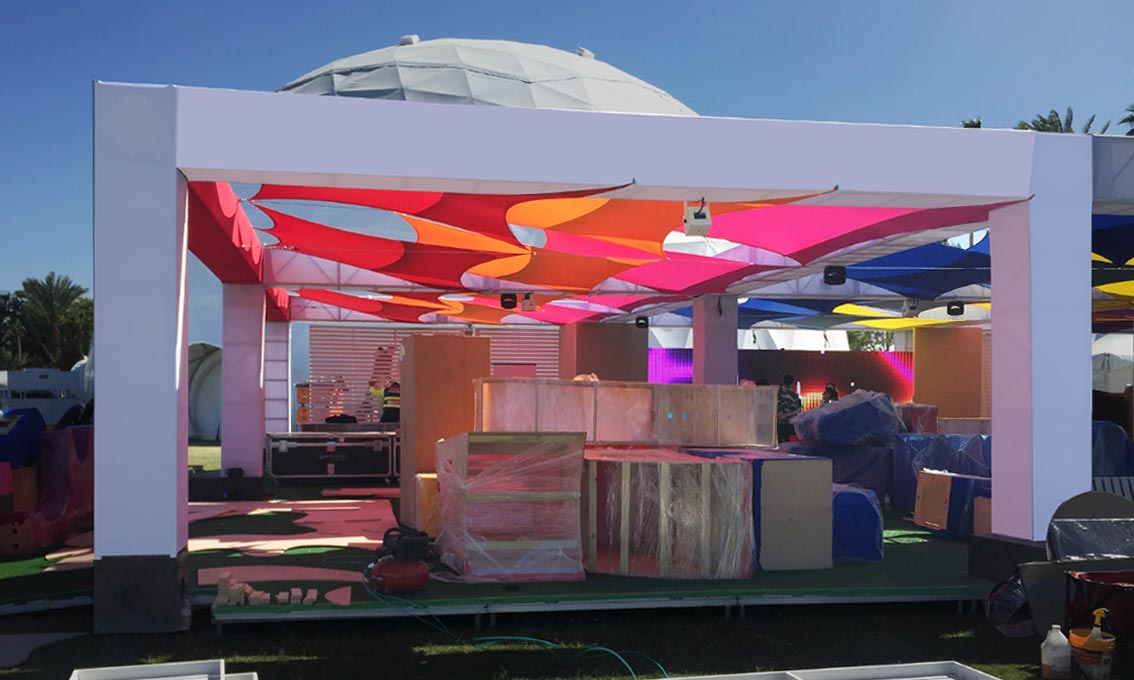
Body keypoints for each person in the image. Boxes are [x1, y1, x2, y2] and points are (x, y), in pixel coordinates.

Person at [777, 374, 802, 443]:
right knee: (787, 442)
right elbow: (798, 409)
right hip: (789, 422)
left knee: (779, 442)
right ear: (792, 383)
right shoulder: (795, 395)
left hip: (778, 422)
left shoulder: (778, 393)